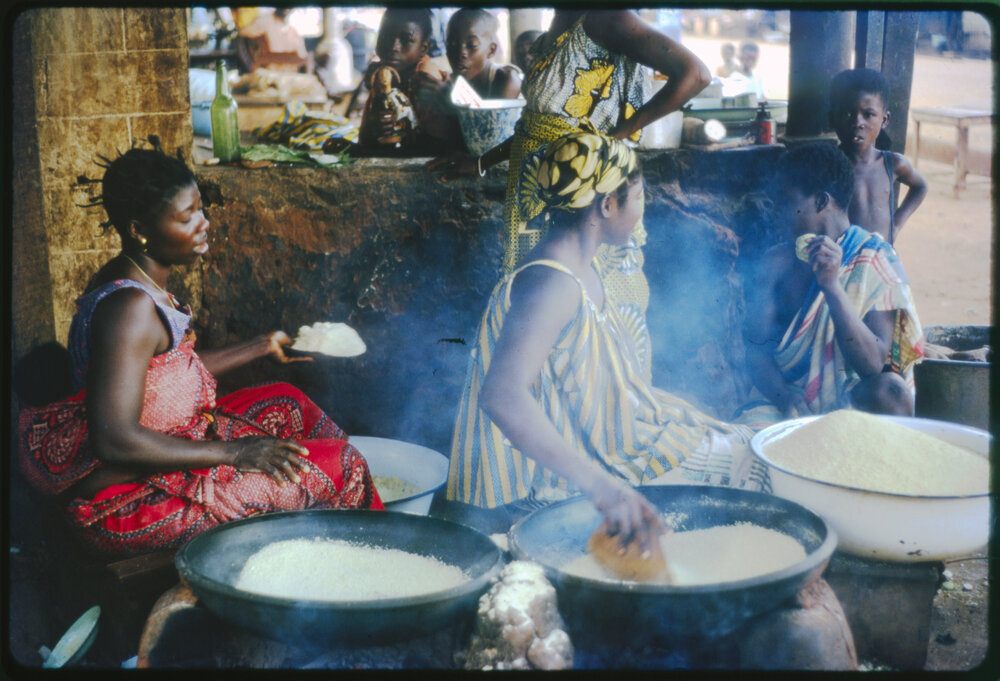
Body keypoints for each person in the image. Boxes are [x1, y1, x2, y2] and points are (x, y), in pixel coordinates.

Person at [16, 143, 383, 558]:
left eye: (200, 209)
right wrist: (237, 453)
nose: (203, 223)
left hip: (166, 448)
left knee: (290, 403)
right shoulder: (129, 309)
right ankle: (353, 565)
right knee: (345, 465)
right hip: (128, 499)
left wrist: (262, 345)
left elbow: (165, 372)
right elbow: (113, 439)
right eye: (186, 215)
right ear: (140, 229)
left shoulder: (136, 282)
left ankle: (325, 532)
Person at [446, 132, 767, 549]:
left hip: (598, 455)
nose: (640, 211)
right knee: (756, 464)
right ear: (607, 205)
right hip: (552, 487)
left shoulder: (583, 265)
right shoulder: (552, 284)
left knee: (756, 436)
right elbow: (502, 395)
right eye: (637, 196)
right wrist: (603, 488)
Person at [430, 9, 710, 380]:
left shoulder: (605, 16)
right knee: (544, 324)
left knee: (584, 325)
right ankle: (551, 422)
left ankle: (596, 427)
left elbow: (696, 74)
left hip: (578, 204)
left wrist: (611, 142)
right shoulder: (563, 21)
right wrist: (482, 162)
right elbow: (542, 123)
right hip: (536, 199)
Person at [737, 143, 924, 427]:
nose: (776, 212)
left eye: (786, 202)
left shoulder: (874, 257)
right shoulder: (775, 264)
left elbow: (874, 365)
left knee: (893, 394)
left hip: (850, 405)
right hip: (787, 405)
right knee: (748, 442)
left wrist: (832, 287)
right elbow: (757, 353)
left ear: (822, 202)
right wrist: (784, 397)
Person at [829, 68, 928, 244]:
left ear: (884, 120)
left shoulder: (893, 163)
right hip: (845, 262)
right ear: (832, 118)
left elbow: (920, 186)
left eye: (868, 115)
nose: (857, 122)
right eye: (847, 113)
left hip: (882, 259)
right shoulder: (829, 167)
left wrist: (896, 225)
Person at [357, 7, 458, 153]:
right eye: (386, 36)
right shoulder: (383, 74)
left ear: (424, 48)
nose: (394, 47)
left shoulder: (426, 78)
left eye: (406, 40)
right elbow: (365, 139)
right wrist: (373, 127)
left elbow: (434, 147)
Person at [445, 8, 522, 99]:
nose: (461, 52)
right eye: (452, 44)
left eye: (472, 45)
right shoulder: (448, 81)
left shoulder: (506, 79)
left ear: (491, 50)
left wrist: (445, 98)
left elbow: (493, 113)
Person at [238, 8, 308, 73]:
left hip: (291, 76)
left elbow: (302, 56)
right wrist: (250, 66)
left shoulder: (293, 31)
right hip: (269, 76)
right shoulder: (265, 21)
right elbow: (242, 36)